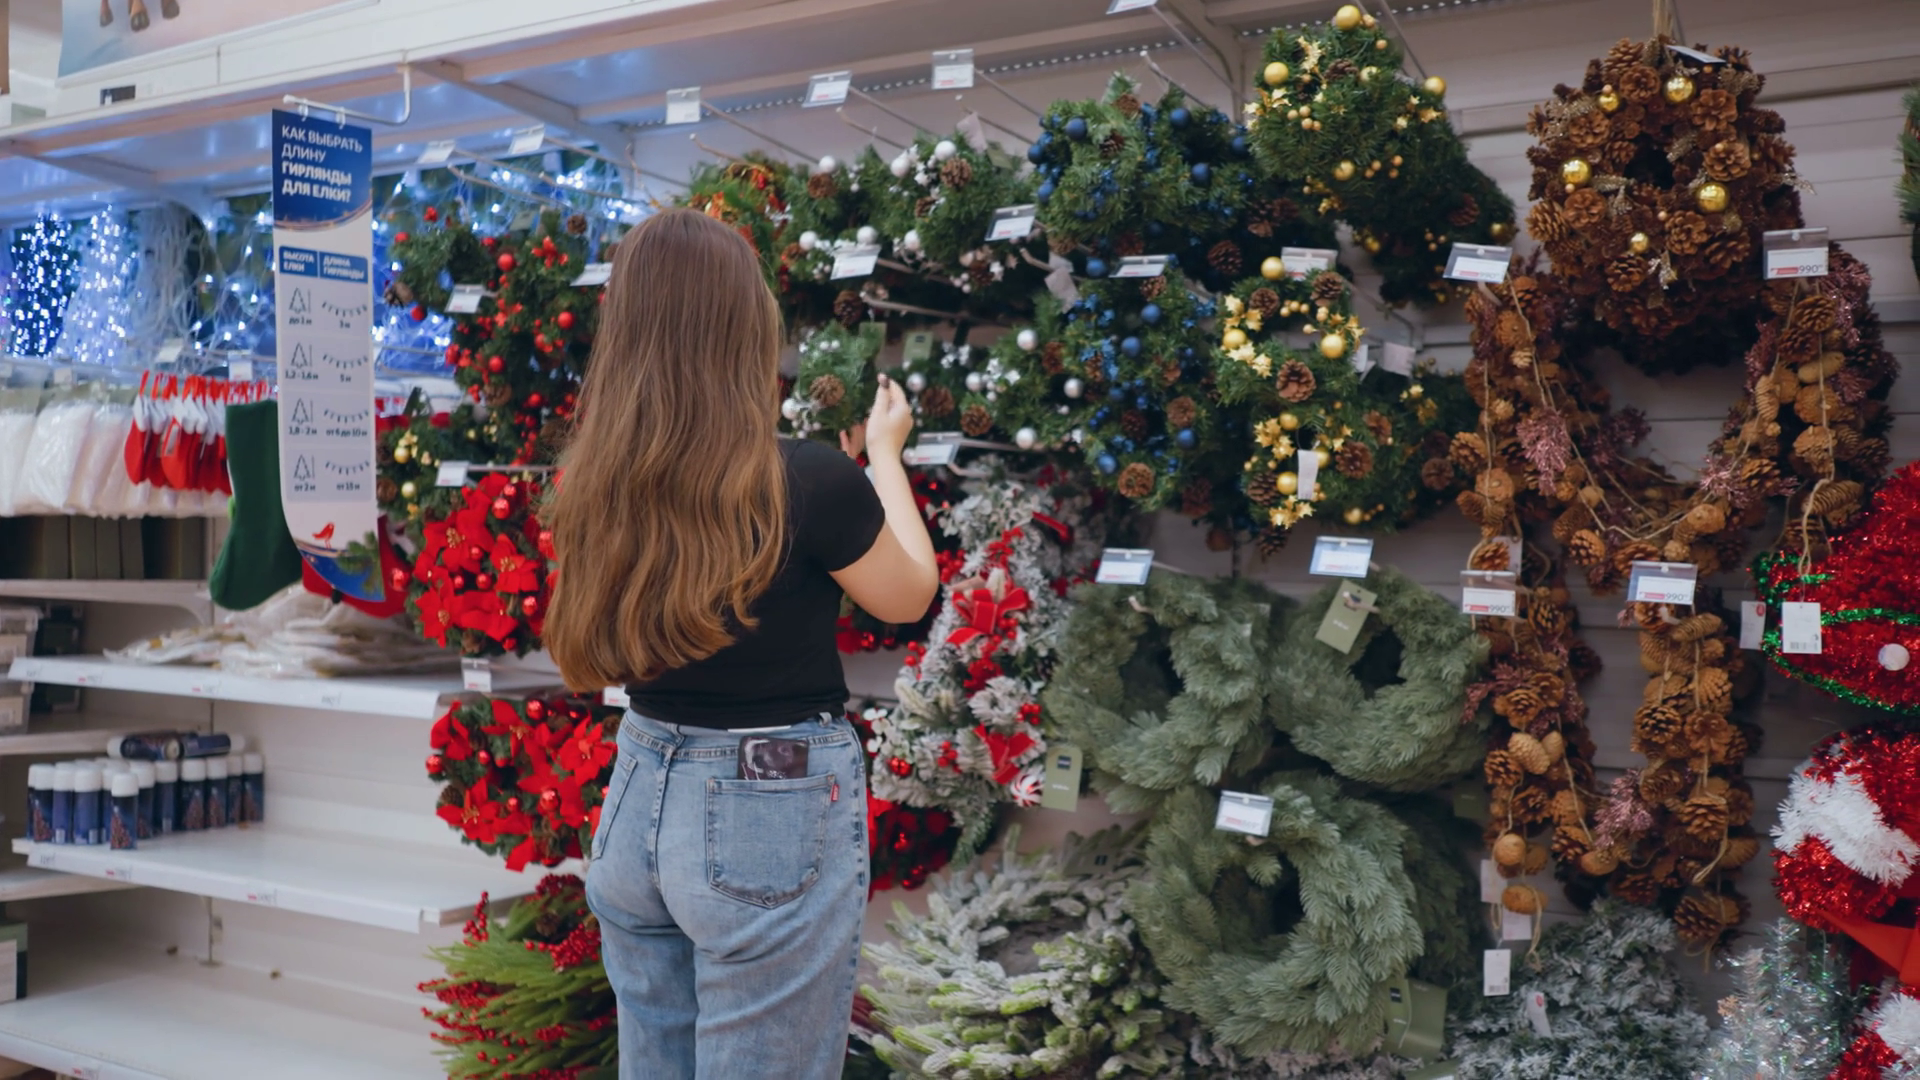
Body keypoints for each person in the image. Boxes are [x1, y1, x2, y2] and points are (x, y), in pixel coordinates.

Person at [544, 207, 939, 1079]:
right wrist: (884, 457)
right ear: (744, 329)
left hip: (637, 793)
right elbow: (909, 595)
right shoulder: (808, 480)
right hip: (767, 808)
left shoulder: (597, 484)